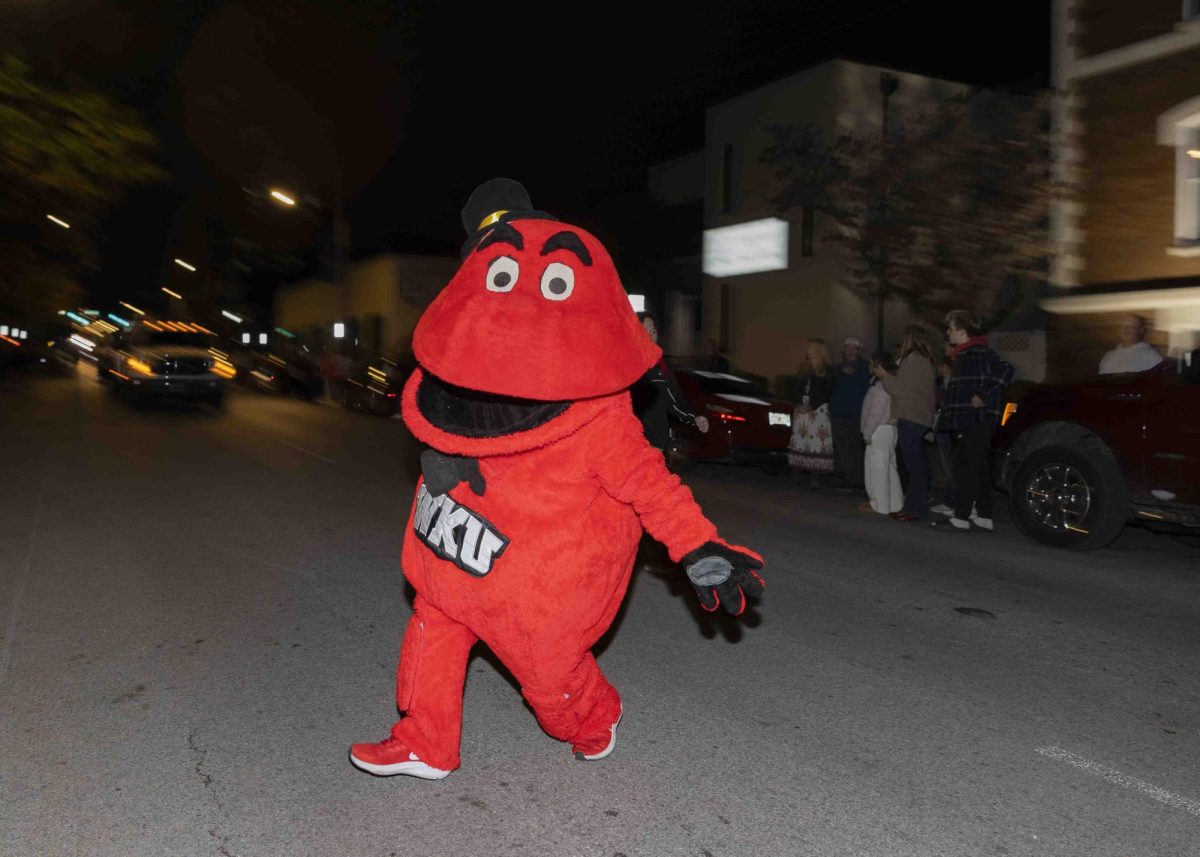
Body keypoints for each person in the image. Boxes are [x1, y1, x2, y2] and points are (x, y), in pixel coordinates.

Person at [349, 178, 763, 780]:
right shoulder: (461, 386)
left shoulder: (598, 416)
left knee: (550, 685)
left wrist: (697, 545)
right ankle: (426, 742)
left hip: (543, 593)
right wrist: (440, 458)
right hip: (462, 561)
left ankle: (597, 715)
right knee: (435, 622)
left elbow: (652, 485)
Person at [928, 311, 1015, 533]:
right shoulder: (965, 354)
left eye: (951, 328)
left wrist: (984, 395)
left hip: (978, 418)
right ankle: (984, 516)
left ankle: (961, 517)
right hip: (970, 419)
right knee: (978, 467)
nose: (947, 332)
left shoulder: (978, 352)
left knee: (965, 467)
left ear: (963, 331)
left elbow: (1006, 369)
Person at [875, 325, 936, 521]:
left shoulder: (915, 361)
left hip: (912, 417)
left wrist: (885, 377)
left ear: (910, 339)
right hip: (915, 417)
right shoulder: (921, 361)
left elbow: (901, 390)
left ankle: (915, 508)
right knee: (916, 464)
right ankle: (916, 505)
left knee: (914, 466)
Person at [631, 314, 709, 453]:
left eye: (653, 331)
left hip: (654, 446)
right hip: (625, 445)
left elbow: (675, 403)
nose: (650, 336)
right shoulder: (621, 367)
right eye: (644, 332)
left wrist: (695, 418)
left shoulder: (663, 367)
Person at [857, 351, 903, 515]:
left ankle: (879, 503)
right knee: (890, 467)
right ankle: (895, 503)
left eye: (872, 364)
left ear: (879, 364)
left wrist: (867, 433)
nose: (870, 366)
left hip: (879, 430)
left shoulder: (881, 386)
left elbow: (875, 413)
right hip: (890, 429)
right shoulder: (893, 383)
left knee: (876, 468)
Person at [788, 338, 835, 487]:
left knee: (816, 442)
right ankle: (797, 474)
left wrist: (812, 405)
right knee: (800, 440)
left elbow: (827, 392)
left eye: (810, 348)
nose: (807, 350)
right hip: (802, 410)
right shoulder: (803, 367)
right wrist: (798, 404)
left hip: (818, 411)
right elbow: (796, 388)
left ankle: (815, 476)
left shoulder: (827, 370)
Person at [829, 336, 871, 491]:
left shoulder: (865, 368)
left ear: (859, 351)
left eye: (854, 348)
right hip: (837, 411)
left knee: (853, 447)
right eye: (848, 348)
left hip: (855, 412)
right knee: (839, 446)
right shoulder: (837, 369)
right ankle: (842, 476)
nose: (850, 351)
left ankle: (855, 479)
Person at [930, 356, 957, 516]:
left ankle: (952, 501)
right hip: (942, 427)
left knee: (950, 466)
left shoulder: (951, 385)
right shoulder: (942, 383)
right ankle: (950, 498)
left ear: (946, 367)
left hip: (949, 428)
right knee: (946, 465)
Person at [1098, 315, 1163, 375]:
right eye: (1124, 326)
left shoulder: (1152, 357)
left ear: (1140, 330)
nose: (1126, 329)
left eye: (1132, 326)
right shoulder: (1109, 357)